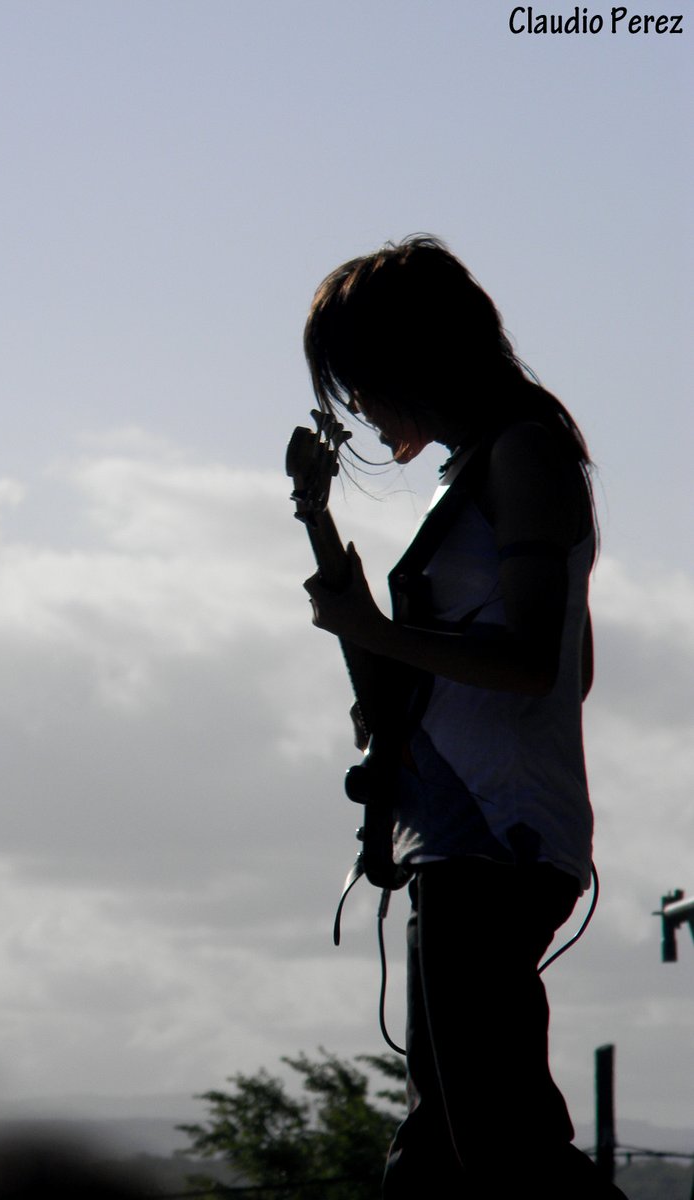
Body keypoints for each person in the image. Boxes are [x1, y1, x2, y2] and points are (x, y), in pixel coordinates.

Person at [301, 236, 628, 1199]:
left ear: (409, 357)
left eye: (357, 378)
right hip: (460, 836)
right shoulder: (490, 462)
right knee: (440, 1146)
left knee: (499, 1142)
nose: (356, 407)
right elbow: (567, 662)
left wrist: (377, 631)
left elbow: (540, 663)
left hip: (498, 836)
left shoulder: (524, 453)